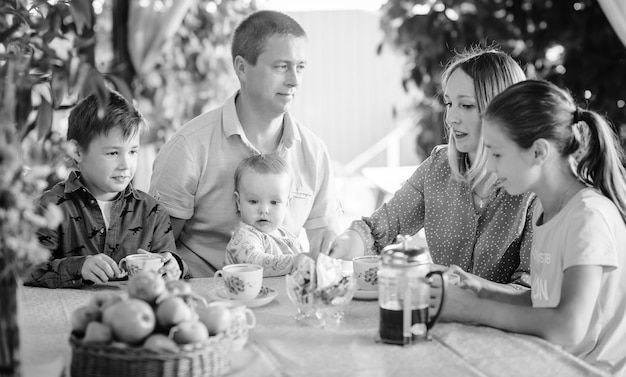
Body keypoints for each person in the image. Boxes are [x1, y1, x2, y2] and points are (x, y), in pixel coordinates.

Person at [442, 80, 626, 376]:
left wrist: (473, 311)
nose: (490, 167)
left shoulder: (588, 217)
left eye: (497, 154)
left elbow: (567, 326)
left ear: (538, 152)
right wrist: (482, 290)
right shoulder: (545, 208)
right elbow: (541, 300)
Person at [325, 47, 537, 289]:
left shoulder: (533, 188)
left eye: (466, 105)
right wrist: (339, 246)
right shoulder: (438, 167)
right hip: (439, 315)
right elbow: (376, 230)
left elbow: (529, 290)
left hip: (503, 325)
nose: (450, 118)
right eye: (449, 103)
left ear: (502, 111)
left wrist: (462, 287)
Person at [150, 10, 341, 277]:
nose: (294, 80)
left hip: (286, 303)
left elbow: (325, 243)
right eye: (281, 66)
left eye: (300, 67)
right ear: (241, 68)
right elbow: (158, 249)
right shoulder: (189, 148)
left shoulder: (315, 152)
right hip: (205, 301)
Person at [27, 91, 188, 288]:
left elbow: (170, 264)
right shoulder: (50, 208)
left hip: (135, 314)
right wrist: (79, 267)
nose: (125, 165)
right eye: (113, 153)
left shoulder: (152, 212)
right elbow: (26, 269)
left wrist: (174, 266)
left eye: (132, 152)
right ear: (77, 151)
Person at [225, 154, 308, 276]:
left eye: (274, 202)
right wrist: (295, 261)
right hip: (250, 295)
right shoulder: (244, 236)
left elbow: (302, 263)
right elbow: (255, 263)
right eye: (253, 201)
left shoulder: (290, 238)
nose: (264, 210)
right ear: (238, 202)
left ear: (286, 204)